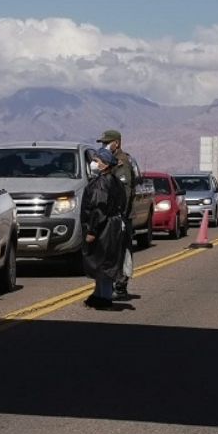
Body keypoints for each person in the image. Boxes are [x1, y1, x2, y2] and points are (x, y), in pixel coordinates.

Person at [81, 147, 127, 309]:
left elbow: (99, 208)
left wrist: (92, 231)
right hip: (112, 226)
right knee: (102, 263)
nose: (93, 163)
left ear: (105, 164)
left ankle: (105, 298)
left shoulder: (102, 183)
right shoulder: (114, 181)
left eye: (97, 161)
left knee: (103, 264)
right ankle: (97, 295)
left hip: (104, 229)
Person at [97, 130, 136, 301]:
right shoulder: (108, 161)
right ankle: (109, 285)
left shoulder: (122, 162)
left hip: (121, 215)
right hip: (110, 215)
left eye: (107, 143)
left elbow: (125, 191)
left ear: (117, 143)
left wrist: (120, 214)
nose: (104, 146)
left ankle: (120, 286)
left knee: (121, 250)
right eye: (103, 143)